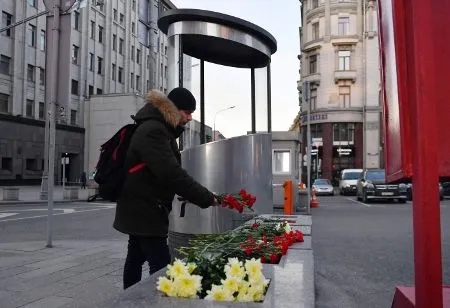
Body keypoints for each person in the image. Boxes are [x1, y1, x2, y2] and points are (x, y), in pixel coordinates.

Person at [113, 87, 219, 289]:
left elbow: (163, 173)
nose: (189, 118)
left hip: (141, 206)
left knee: (135, 256)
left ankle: (128, 301)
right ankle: (158, 302)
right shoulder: (154, 130)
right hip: (145, 209)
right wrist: (206, 197)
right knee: (162, 266)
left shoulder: (157, 127)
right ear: (173, 109)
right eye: (187, 113)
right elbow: (171, 174)